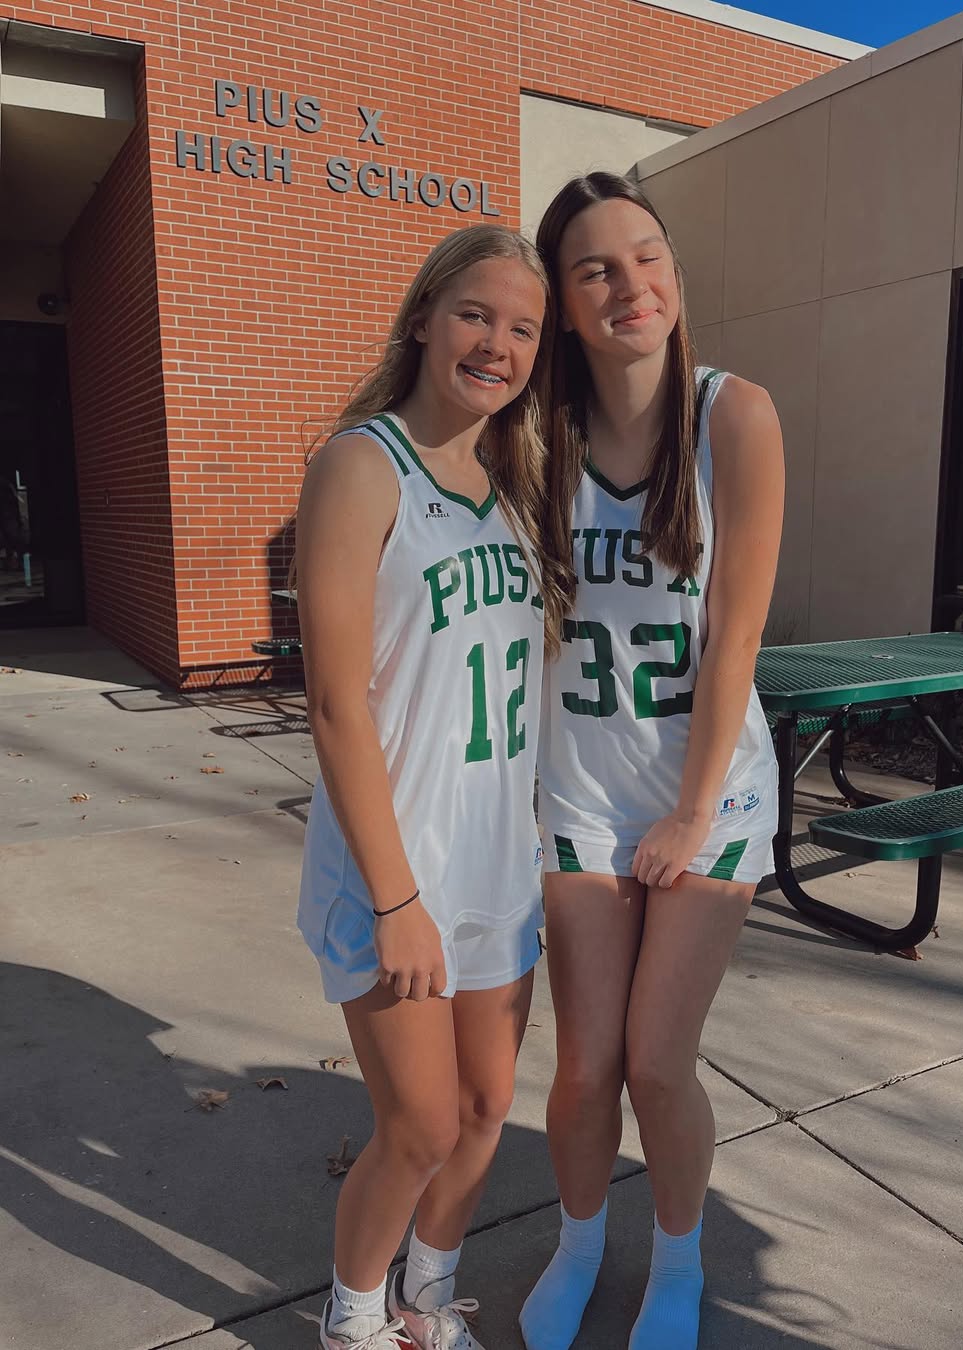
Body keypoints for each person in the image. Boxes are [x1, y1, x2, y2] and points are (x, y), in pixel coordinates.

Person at [520, 172, 784, 1350]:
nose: (631, 284)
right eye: (596, 269)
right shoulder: (536, 434)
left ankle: (678, 1263)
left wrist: (689, 815)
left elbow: (737, 636)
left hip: (708, 791)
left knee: (659, 1063)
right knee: (586, 1071)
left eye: (647, 256)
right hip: (581, 789)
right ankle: (581, 1245)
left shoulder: (735, 414)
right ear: (565, 305)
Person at [294, 224, 556, 1350]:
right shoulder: (363, 465)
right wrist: (396, 898)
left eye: (523, 329)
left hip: (499, 859)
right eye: (475, 315)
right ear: (423, 320)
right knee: (419, 1127)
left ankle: (425, 1300)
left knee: (487, 1111)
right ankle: (352, 1321)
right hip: (395, 864)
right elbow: (335, 704)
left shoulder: (514, 490)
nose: (498, 345)